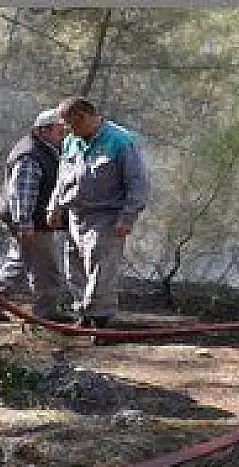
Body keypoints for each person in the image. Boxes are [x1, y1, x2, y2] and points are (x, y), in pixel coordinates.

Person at [44, 96, 150, 329]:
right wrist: (55, 207)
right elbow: (63, 177)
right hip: (75, 215)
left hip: (107, 216)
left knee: (100, 269)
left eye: (70, 124)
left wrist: (128, 217)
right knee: (74, 268)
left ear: (83, 117)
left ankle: (100, 319)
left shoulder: (121, 141)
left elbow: (138, 183)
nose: (67, 131)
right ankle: (83, 313)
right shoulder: (72, 141)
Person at [0, 108, 70, 323]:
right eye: (60, 130)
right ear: (43, 130)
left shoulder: (42, 150)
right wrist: (25, 223)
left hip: (29, 220)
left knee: (18, 260)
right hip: (32, 221)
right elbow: (22, 192)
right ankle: (46, 313)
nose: (64, 135)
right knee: (46, 269)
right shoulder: (30, 155)